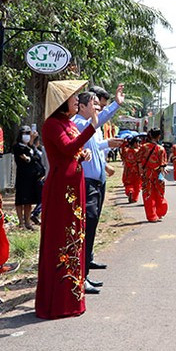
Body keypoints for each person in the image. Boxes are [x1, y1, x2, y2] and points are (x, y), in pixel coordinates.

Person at [35, 79, 98, 320]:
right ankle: (58, 302)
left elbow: (72, 151)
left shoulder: (68, 123)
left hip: (73, 187)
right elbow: (66, 148)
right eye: (73, 97)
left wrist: (83, 154)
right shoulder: (52, 124)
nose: (77, 100)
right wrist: (92, 127)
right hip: (61, 190)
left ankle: (72, 298)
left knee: (75, 238)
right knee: (61, 240)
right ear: (63, 101)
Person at [73, 88, 124, 294]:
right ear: (82, 106)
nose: (97, 108)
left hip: (96, 181)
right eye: (94, 104)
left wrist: (107, 144)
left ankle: (85, 271)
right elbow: (99, 119)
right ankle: (81, 276)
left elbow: (94, 147)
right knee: (87, 226)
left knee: (91, 227)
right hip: (87, 183)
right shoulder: (79, 123)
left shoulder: (88, 126)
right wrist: (116, 104)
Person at [13, 126, 46, 230]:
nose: (27, 136)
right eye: (25, 134)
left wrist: (32, 144)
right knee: (20, 200)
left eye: (29, 133)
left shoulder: (31, 147)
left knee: (29, 201)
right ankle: (21, 222)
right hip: (22, 177)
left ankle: (27, 222)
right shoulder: (18, 147)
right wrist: (30, 157)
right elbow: (27, 159)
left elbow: (36, 158)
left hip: (32, 178)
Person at [138, 129, 168, 222]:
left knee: (148, 194)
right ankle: (160, 212)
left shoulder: (143, 147)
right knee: (159, 194)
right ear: (159, 136)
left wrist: (141, 172)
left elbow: (139, 161)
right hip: (157, 174)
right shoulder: (161, 149)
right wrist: (163, 174)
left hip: (146, 174)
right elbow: (162, 165)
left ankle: (151, 216)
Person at [30, 133, 48, 225]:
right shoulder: (41, 152)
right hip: (45, 177)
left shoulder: (42, 150)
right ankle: (36, 213)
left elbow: (44, 164)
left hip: (41, 177)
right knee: (45, 199)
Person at [120, 133, 143, 203]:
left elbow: (122, 154)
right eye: (138, 143)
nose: (139, 144)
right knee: (137, 185)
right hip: (136, 171)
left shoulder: (126, 151)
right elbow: (140, 162)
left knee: (128, 184)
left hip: (127, 171)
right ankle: (134, 198)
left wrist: (124, 143)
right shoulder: (138, 151)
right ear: (135, 143)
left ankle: (130, 191)